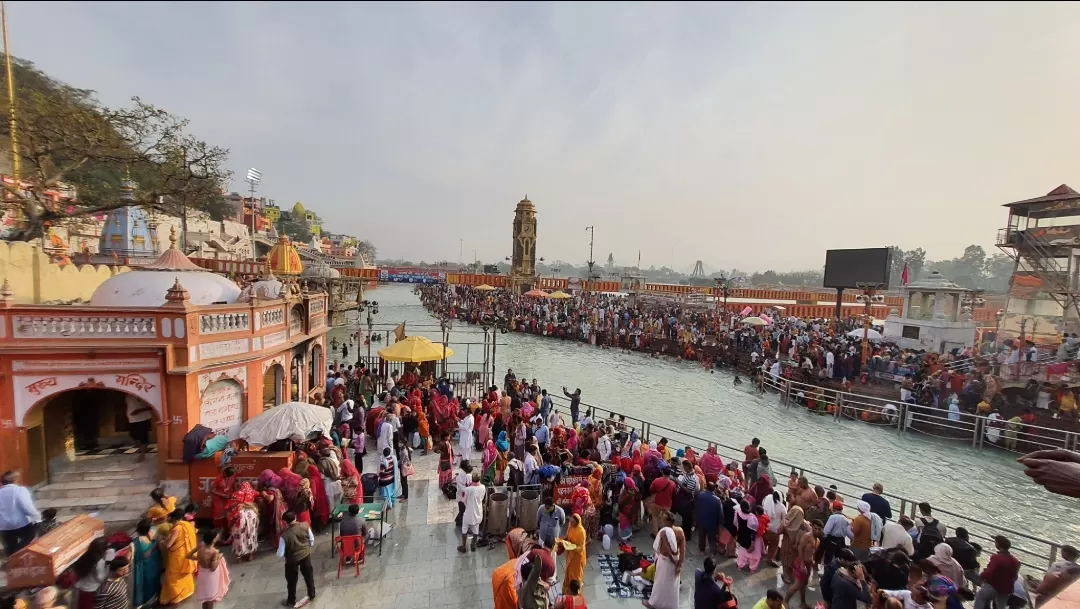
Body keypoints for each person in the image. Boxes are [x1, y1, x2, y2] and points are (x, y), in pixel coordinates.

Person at [645, 511, 684, 609]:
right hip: (675, 559)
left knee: (659, 582)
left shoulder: (664, 532)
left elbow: (667, 551)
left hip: (666, 561)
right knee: (672, 585)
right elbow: (683, 550)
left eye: (663, 519)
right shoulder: (680, 531)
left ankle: (653, 603)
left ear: (667, 521)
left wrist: (675, 563)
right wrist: (680, 564)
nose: (661, 521)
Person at [278, 511, 316, 607]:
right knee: (309, 575)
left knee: (291, 581)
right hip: (305, 555)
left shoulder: (284, 536)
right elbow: (311, 540)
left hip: (292, 560)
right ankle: (311, 594)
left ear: (285, 522)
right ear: (295, 517)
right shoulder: (305, 525)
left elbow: (280, 553)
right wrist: (307, 547)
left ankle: (291, 600)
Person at [159, 509, 197, 606]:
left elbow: (169, 545)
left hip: (177, 556)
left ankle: (176, 598)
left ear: (174, 517)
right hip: (186, 553)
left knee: (174, 577)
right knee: (183, 574)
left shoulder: (177, 528)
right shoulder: (187, 524)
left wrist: (162, 543)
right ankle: (186, 592)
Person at [0, 470, 39, 557]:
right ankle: (19, 553)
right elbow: (27, 507)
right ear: (15, 480)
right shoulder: (20, 490)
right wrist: (37, 517)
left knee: (9, 547)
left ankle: (11, 562)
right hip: (20, 523)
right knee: (30, 536)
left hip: (3, 526)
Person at [975, 536, 1021, 609]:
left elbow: (989, 573)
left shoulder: (996, 558)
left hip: (994, 586)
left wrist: (982, 576)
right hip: (1006, 589)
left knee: (980, 597)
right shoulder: (1015, 561)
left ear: (998, 545)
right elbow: (1015, 577)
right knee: (1001, 606)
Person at [193, 531, 231, 609]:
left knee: (205, 597)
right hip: (210, 576)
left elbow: (188, 555)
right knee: (210, 598)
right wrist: (219, 557)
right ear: (213, 540)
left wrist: (200, 559)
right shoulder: (214, 551)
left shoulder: (200, 547)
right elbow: (213, 568)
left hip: (202, 573)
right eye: (216, 536)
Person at [131, 519, 162, 609]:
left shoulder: (137, 542)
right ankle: (155, 599)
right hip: (155, 563)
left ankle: (146, 603)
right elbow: (154, 528)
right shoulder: (155, 532)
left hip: (144, 566)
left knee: (145, 584)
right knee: (154, 581)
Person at [225, 482, 259, 562]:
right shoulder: (253, 492)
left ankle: (238, 556)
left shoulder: (235, 494)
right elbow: (258, 494)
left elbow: (228, 506)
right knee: (251, 534)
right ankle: (250, 555)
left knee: (239, 535)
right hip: (251, 515)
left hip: (239, 516)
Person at [459, 471, 486, 553]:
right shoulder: (483, 487)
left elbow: (464, 500)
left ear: (472, 480)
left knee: (464, 529)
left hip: (469, 513)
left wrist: (468, 505)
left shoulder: (468, 489)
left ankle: (464, 547)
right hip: (478, 512)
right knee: (476, 529)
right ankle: (473, 545)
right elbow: (482, 498)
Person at [561, 513, 587, 595]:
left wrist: (571, 546)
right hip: (570, 553)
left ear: (577, 522)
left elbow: (581, 548)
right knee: (568, 571)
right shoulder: (570, 525)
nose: (571, 524)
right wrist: (562, 541)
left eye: (572, 522)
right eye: (570, 522)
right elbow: (567, 535)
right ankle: (568, 589)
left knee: (576, 574)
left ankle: (576, 591)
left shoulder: (581, 532)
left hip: (577, 557)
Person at [696, 482, 724, 555]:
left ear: (706, 487)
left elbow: (696, 506)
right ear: (714, 489)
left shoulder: (700, 495)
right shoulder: (717, 500)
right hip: (712, 523)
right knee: (712, 538)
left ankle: (702, 550)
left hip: (701, 520)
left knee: (701, 537)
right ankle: (712, 552)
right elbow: (720, 513)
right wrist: (721, 522)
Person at [126, 395, 154, 462]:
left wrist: (138, 411)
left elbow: (151, 407)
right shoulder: (128, 394)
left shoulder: (143, 394)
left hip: (143, 418)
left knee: (143, 438)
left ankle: (142, 455)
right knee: (133, 435)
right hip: (132, 419)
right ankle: (142, 449)